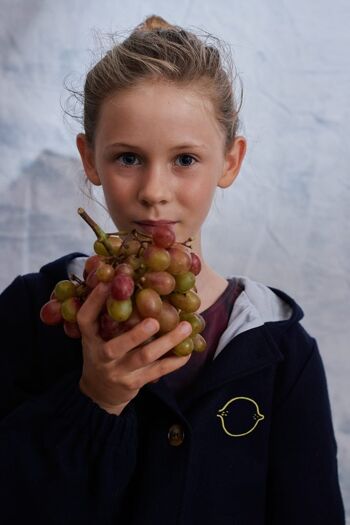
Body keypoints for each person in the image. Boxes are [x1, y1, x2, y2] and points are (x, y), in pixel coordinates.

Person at [0, 14, 345, 525]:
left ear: (230, 161)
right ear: (89, 158)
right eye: (128, 158)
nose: (154, 190)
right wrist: (95, 400)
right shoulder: (34, 311)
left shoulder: (281, 351)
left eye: (185, 159)